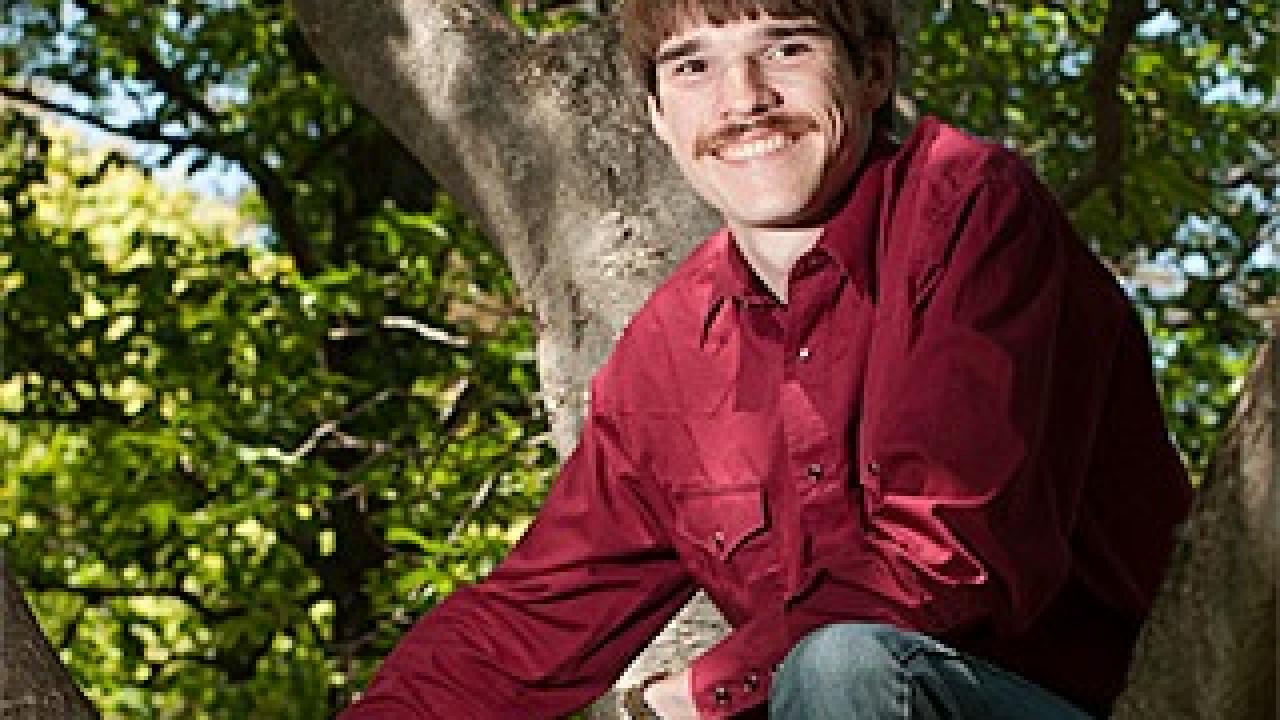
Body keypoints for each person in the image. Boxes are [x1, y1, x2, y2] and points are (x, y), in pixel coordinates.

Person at [339, 0, 1192, 717]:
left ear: (873, 73)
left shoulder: (969, 212)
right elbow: (527, 622)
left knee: (842, 669)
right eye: (692, 67)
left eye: (785, 48)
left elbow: (947, 554)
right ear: (656, 116)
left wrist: (686, 697)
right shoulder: (670, 351)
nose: (744, 100)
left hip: (1087, 704)